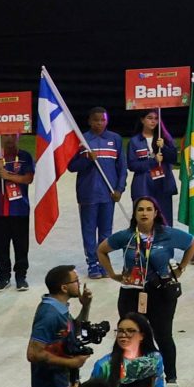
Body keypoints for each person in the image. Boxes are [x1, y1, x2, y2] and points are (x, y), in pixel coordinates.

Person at [97, 197, 191, 384]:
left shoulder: (168, 234)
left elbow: (192, 243)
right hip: (131, 292)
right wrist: (113, 275)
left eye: (149, 209)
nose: (144, 213)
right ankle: (131, 377)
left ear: (156, 213)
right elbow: (101, 250)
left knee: (163, 336)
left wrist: (180, 268)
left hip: (160, 293)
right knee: (130, 334)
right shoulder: (126, 236)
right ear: (135, 214)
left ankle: (170, 379)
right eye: (140, 209)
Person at [25, 265, 94, 387]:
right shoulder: (50, 314)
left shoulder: (60, 308)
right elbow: (33, 353)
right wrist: (72, 363)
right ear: (64, 287)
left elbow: (74, 332)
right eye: (76, 281)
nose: (79, 284)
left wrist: (86, 305)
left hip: (65, 386)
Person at [75, 107, 124, 273]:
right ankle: (92, 262)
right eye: (96, 120)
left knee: (106, 230)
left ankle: (103, 260)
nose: (99, 123)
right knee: (89, 229)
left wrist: (119, 189)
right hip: (87, 194)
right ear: (89, 121)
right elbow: (71, 166)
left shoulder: (115, 139)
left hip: (109, 194)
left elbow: (122, 168)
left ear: (107, 121)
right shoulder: (82, 140)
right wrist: (87, 159)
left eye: (102, 120)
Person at [121, 111, 176, 228]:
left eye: (156, 118)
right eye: (149, 118)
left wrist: (164, 147)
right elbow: (132, 165)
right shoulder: (134, 141)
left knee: (165, 219)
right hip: (143, 184)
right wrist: (153, 161)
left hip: (163, 184)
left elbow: (173, 159)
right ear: (142, 120)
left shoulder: (164, 137)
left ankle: (165, 245)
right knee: (143, 219)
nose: (153, 121)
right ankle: (143, 244)